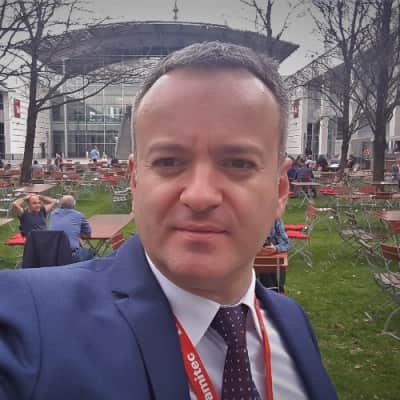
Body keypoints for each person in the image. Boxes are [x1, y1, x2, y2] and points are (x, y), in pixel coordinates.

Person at [0, 42, 337, 399]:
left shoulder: (292, 322)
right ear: (135, 180)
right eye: (169, 162)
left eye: (238, 163)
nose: (200, 196)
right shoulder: (30, 320)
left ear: (280, 190)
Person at [48, 195, 93, 263]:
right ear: (74, 205)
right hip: (71, 256)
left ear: (61, 204)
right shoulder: (78, 215)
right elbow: (88, 234)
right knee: (91, 254)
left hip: (53, 254)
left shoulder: (53, 214)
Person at [258, 219, 292, 293]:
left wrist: (275, 249)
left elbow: (287, 244)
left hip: (272, 265)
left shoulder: (276, 220)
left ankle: (275, 291)